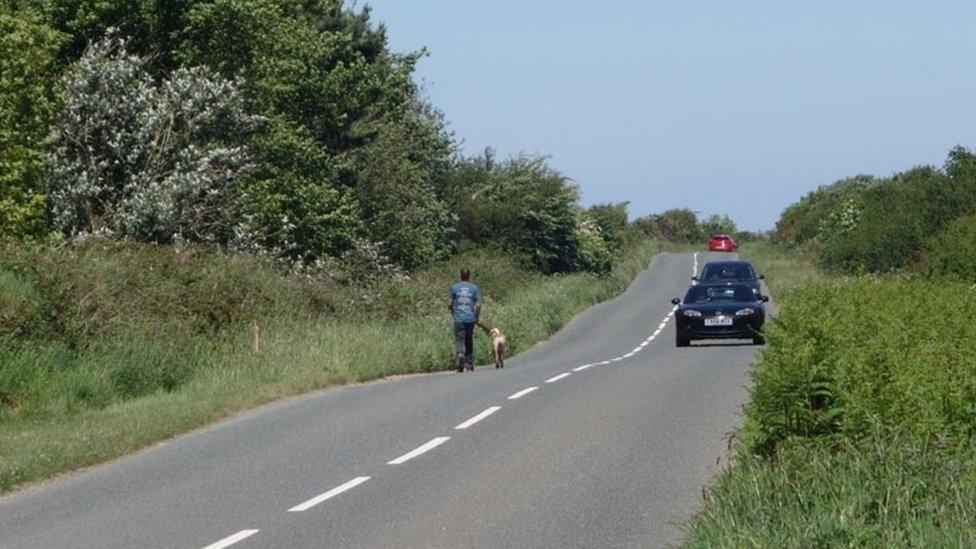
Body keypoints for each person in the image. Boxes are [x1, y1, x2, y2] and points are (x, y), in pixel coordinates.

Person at [447, 268, 482, 372]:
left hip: (458, 318)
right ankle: (469, 364)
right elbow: (479, 304)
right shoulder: (474, 288)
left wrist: (452, 311)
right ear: (469, 276)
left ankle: (460, 354)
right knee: (469, 340)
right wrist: (476, 316)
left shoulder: (454, 287)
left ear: (460, 275)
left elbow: (449, 303)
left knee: (459, 339)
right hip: (470, 318)